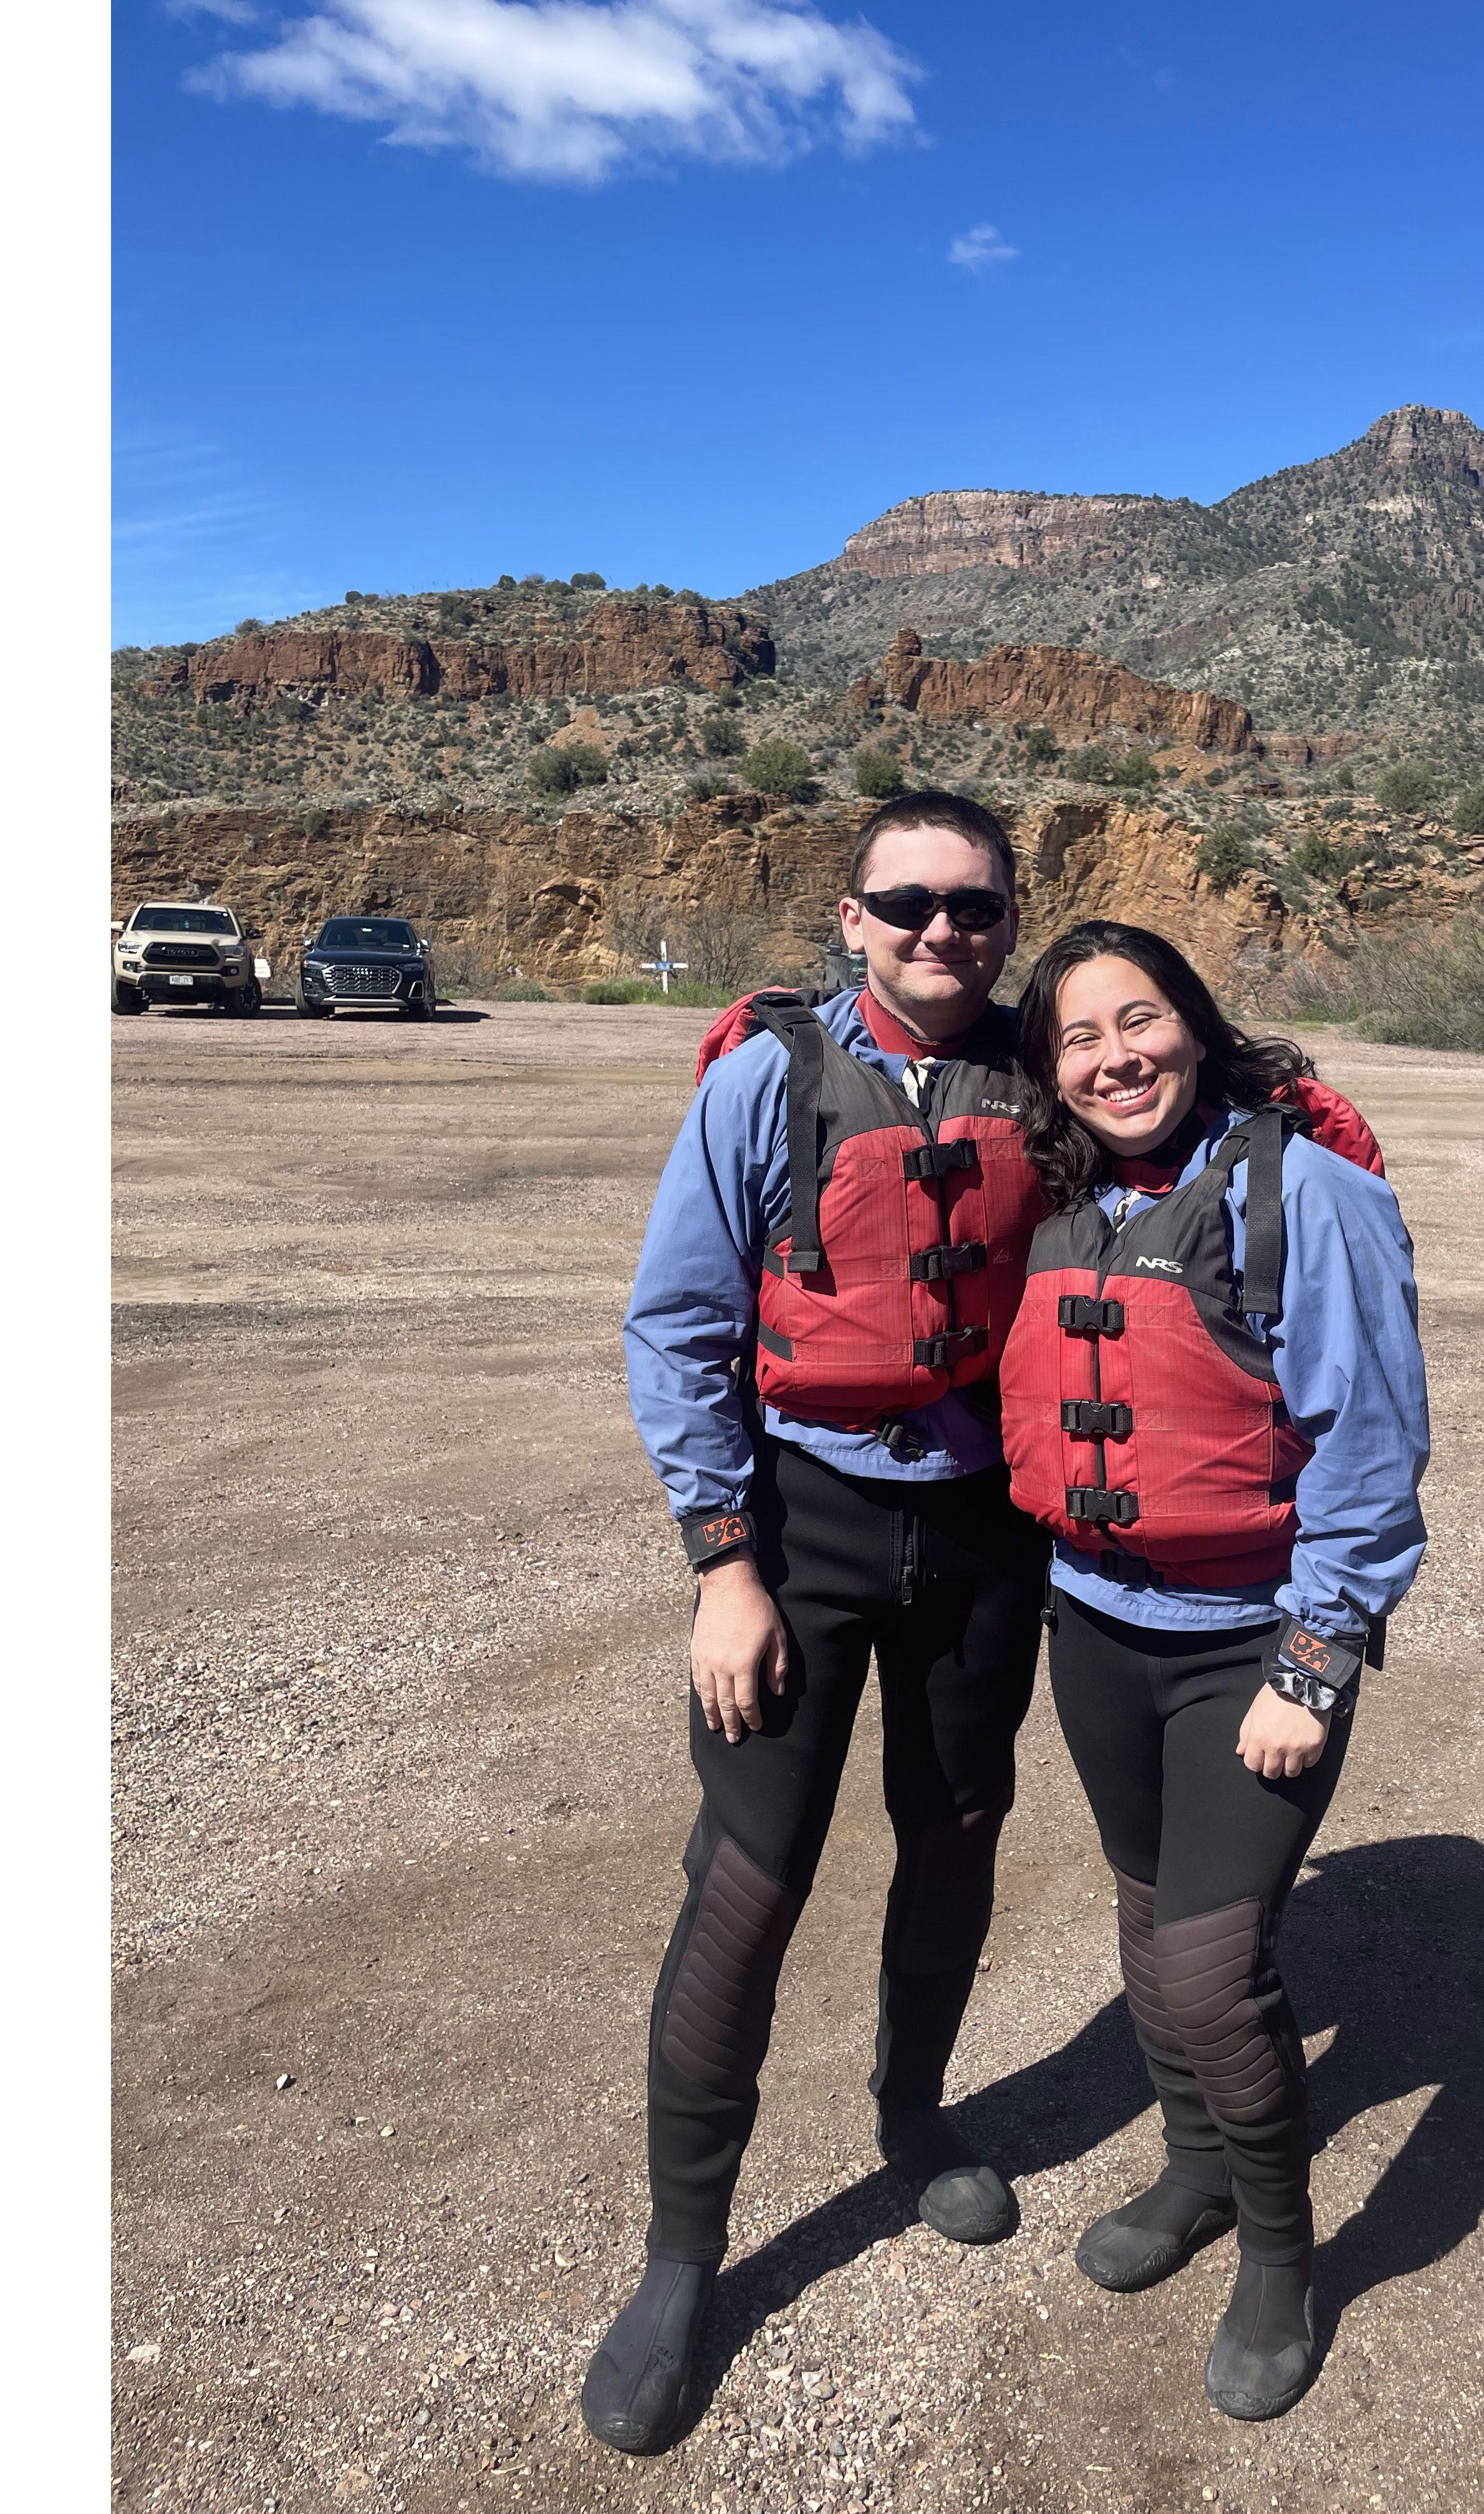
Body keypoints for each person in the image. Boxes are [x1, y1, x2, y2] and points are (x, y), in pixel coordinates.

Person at [583, 794, 1051, 2455]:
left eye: (975, 906)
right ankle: (681, 2256)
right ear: (851, 919)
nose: (942, 931)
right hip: (803, 1522)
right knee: (753, 1874)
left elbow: (1200, 1145)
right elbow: (677, 1323)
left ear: (1011, 920)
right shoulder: (764, 1081)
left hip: (986, 1528)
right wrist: (724, 1564)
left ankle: (913, 2117)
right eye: (907, 903)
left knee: (958, 1831)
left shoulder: (1047, 1076)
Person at [1000, 920, 1429, 2421]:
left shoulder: (1310, 1194)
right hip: (1094, 1631)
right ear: (1051, 1069)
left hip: (1252, 1645)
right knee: (1145, 1921)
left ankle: (1280, 2254)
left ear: (1194, 1021)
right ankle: (1194, 2168)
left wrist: (1314, 1663)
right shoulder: (1065, 1202)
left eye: (1142, 1021)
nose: (1117, 1059)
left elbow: (1372, 1453)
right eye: (1079, 1038)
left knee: (1210, 1966)